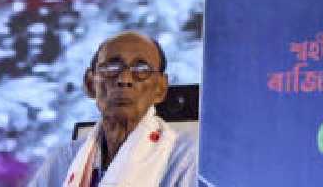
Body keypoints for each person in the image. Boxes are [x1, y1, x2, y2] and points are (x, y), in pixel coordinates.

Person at [28, 31, 197, 187]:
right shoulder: (63, 161)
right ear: (90, 84)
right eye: (111, 68)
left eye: (141, 69)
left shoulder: (186, 160)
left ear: (160, 88)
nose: (124, 79)